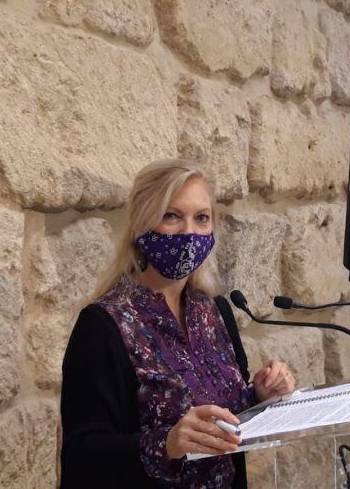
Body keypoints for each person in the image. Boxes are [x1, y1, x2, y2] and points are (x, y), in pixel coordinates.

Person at [59, 159, 297, 488]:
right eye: (171, 216)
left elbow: (230, 418)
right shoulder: (103, 325)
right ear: (140, 224)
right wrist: (167, 444)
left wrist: (260, 395)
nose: (189, 233)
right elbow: (82, 455)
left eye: (201, 218)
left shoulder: (215, 311)